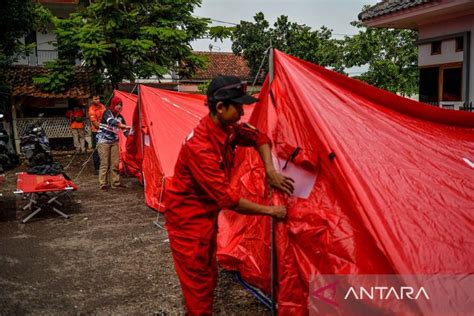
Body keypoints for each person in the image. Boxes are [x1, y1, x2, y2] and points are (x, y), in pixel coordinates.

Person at [165, 75, 295, 315]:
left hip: (205, 219)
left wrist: (269, 171)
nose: (242, 114)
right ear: (221, 107)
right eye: (238, 107)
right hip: (188, 224)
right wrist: (271, 211)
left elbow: (259, 138)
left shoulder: (227, 129)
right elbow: (228, 200)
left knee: (208, 276)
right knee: (199, 285)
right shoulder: (200, 148)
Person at [96, 96, 131, 191]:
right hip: (103, 142)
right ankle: (103, 184)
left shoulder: (120, 117)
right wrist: (127, 126)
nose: (119, 106)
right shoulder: (107, 113)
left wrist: (132, 137)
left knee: (115, 163)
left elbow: (125, 131)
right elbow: (112, 122)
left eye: (120, 105)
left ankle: (115, 182)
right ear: (113, 105)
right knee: (104, 163)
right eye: (117, 104)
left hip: (114, 142)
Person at [88, 95, 106, 174]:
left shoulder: (102, 107)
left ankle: (104, 166)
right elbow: (94, 123)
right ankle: (97, 168)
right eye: (95, 99)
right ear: (92, 100)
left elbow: (106, 117)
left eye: (98, 99)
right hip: (96, 131)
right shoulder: (91, 109)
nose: (98, 100)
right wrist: (104, 127)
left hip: (104, 130)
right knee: (96, 149)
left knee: (104, 148)